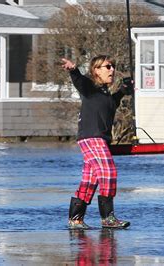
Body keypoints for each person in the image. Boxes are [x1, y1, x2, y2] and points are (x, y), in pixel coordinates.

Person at [61, 55, 133, 230]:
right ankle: (108, 218)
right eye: (107, 67)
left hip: (99, 140)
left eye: (113, 66)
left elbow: (114, 100)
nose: (112, 70)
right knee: (108, 172)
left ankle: (75, 220)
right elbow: (80, 81)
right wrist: (73, 70)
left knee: (90, 181)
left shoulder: (106, 95)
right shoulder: (90, 89)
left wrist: (125, 88)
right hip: (91, 138)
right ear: (96, 71)